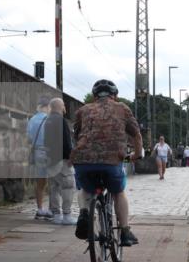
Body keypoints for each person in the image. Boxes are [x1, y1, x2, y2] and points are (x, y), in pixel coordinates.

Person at [71, 79, 143, 247]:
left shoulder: (83, 110)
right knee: (118, 192)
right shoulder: (122, 108)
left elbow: (76, 135)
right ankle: (125, 232)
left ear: (95, 96)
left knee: (84, 189)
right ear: (115, 95)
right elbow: (137, 135)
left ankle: (83, 214)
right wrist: (136, 155)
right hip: (112, 160)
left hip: (83, 160)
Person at [43, 98, 77, 225]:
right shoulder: (60, 120)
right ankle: (67, 215)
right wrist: (70, 157)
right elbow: (66, 141)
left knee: (54, 188)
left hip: (50, 160)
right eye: (63, 105)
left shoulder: (47, 120)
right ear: (61, 107)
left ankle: (56, 214)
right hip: (62, 160)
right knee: (68, 186)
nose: (64, 108)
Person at [26, 95, 52, 220]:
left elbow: (29, 139)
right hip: (50, 152)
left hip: (37, 152)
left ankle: (40, 209)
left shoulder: (32, 119)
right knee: (53, 182)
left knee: (40, 182)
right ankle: (53, 209)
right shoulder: (50, 119)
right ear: (47, 107)